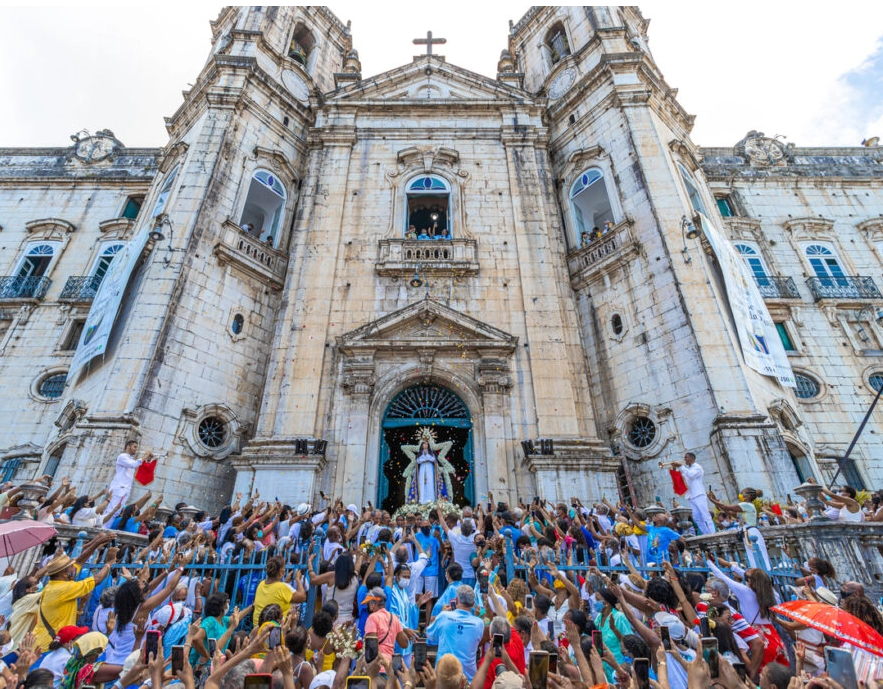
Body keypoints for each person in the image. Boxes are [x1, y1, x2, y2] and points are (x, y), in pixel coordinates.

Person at [34, 536, 118, 650]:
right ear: (64, 574)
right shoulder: (64, 588)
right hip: (49, 644)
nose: (74, 569)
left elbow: (79, 561)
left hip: (47, 640)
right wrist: (108, 563)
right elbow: (97, 579)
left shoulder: (55, 584)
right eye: (71, 568)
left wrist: (96, 543)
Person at [426, 585, 486, 681]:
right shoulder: (479, 623)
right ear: (473, 603)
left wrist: (438, 616)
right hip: (467, 679)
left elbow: (429, 635)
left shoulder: (443, 616)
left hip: (443, 677)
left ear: (456, 600)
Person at [362, 587, 412, 661]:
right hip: (390, 664)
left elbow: (371, 647)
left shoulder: (372, 618)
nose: (368, 606)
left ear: (373, 603)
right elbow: (404, 644)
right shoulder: (394, 618)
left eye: (368, 603)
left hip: (377, 664)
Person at [672, 452, 715, 535]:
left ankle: (713, 533)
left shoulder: (697, 467)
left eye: (686, 457)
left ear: (692, 458)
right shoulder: (688, 468)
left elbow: (691, 475)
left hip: (699, 494)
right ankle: (706, 534)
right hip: (691, 496)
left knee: (705, 515)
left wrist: (681, 466)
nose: (685, 459)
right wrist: (675, 469)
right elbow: (682, 477)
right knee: (697, 518)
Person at [106, 440, 149, 518]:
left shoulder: (131, 459)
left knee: (118, 511)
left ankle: (107, 527)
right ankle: (103, 527)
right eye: (134, 447)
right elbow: (133, 465)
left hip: (126, 488)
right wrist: (145, 456)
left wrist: (148, 459)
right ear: (128, 447)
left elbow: (137, 465)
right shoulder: (122, 456)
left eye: (137, 447)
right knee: (111, 509)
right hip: (119, 487)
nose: (136, 449)